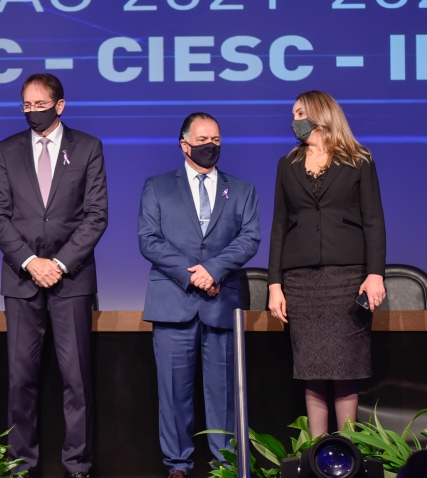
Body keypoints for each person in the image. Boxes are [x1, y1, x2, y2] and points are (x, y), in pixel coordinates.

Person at [0, 73, 108, 478]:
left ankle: (78, 466)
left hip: (71, 279)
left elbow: (96, 215)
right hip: (21, 279)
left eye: (40, 105)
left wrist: (58, 264)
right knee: (20, 380)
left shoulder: (88, 147)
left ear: (60, 105)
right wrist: (30, 261)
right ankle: (20, 466)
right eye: (26, 105)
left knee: (77, 380)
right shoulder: (7, 150)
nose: (32, 112)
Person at [138, 113, 260, 478]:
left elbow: (249, 237)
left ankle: (225, 466)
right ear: (184, 144)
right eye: (203, 139)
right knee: (173, 393)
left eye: (216, 140)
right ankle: (177, 465)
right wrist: (194, 276)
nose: (211, 146)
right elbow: (149, 239)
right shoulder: (157, 186)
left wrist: (214, 270)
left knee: (224, 394)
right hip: (173, 302)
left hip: (221, 303)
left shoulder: (242, 190)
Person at [267, 90, 387, 437]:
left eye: (299, 113)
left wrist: (375, 274)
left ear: (319, 114)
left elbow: (373, 220)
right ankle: (317, 451)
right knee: (312, 369)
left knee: (345, 367)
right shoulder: (287, 164)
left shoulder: (358, 160)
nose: (294, 121)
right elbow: (279, 225)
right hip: (301, 281)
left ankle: (347, 450)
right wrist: (274, 284)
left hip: (346, 278)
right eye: (293, 114)